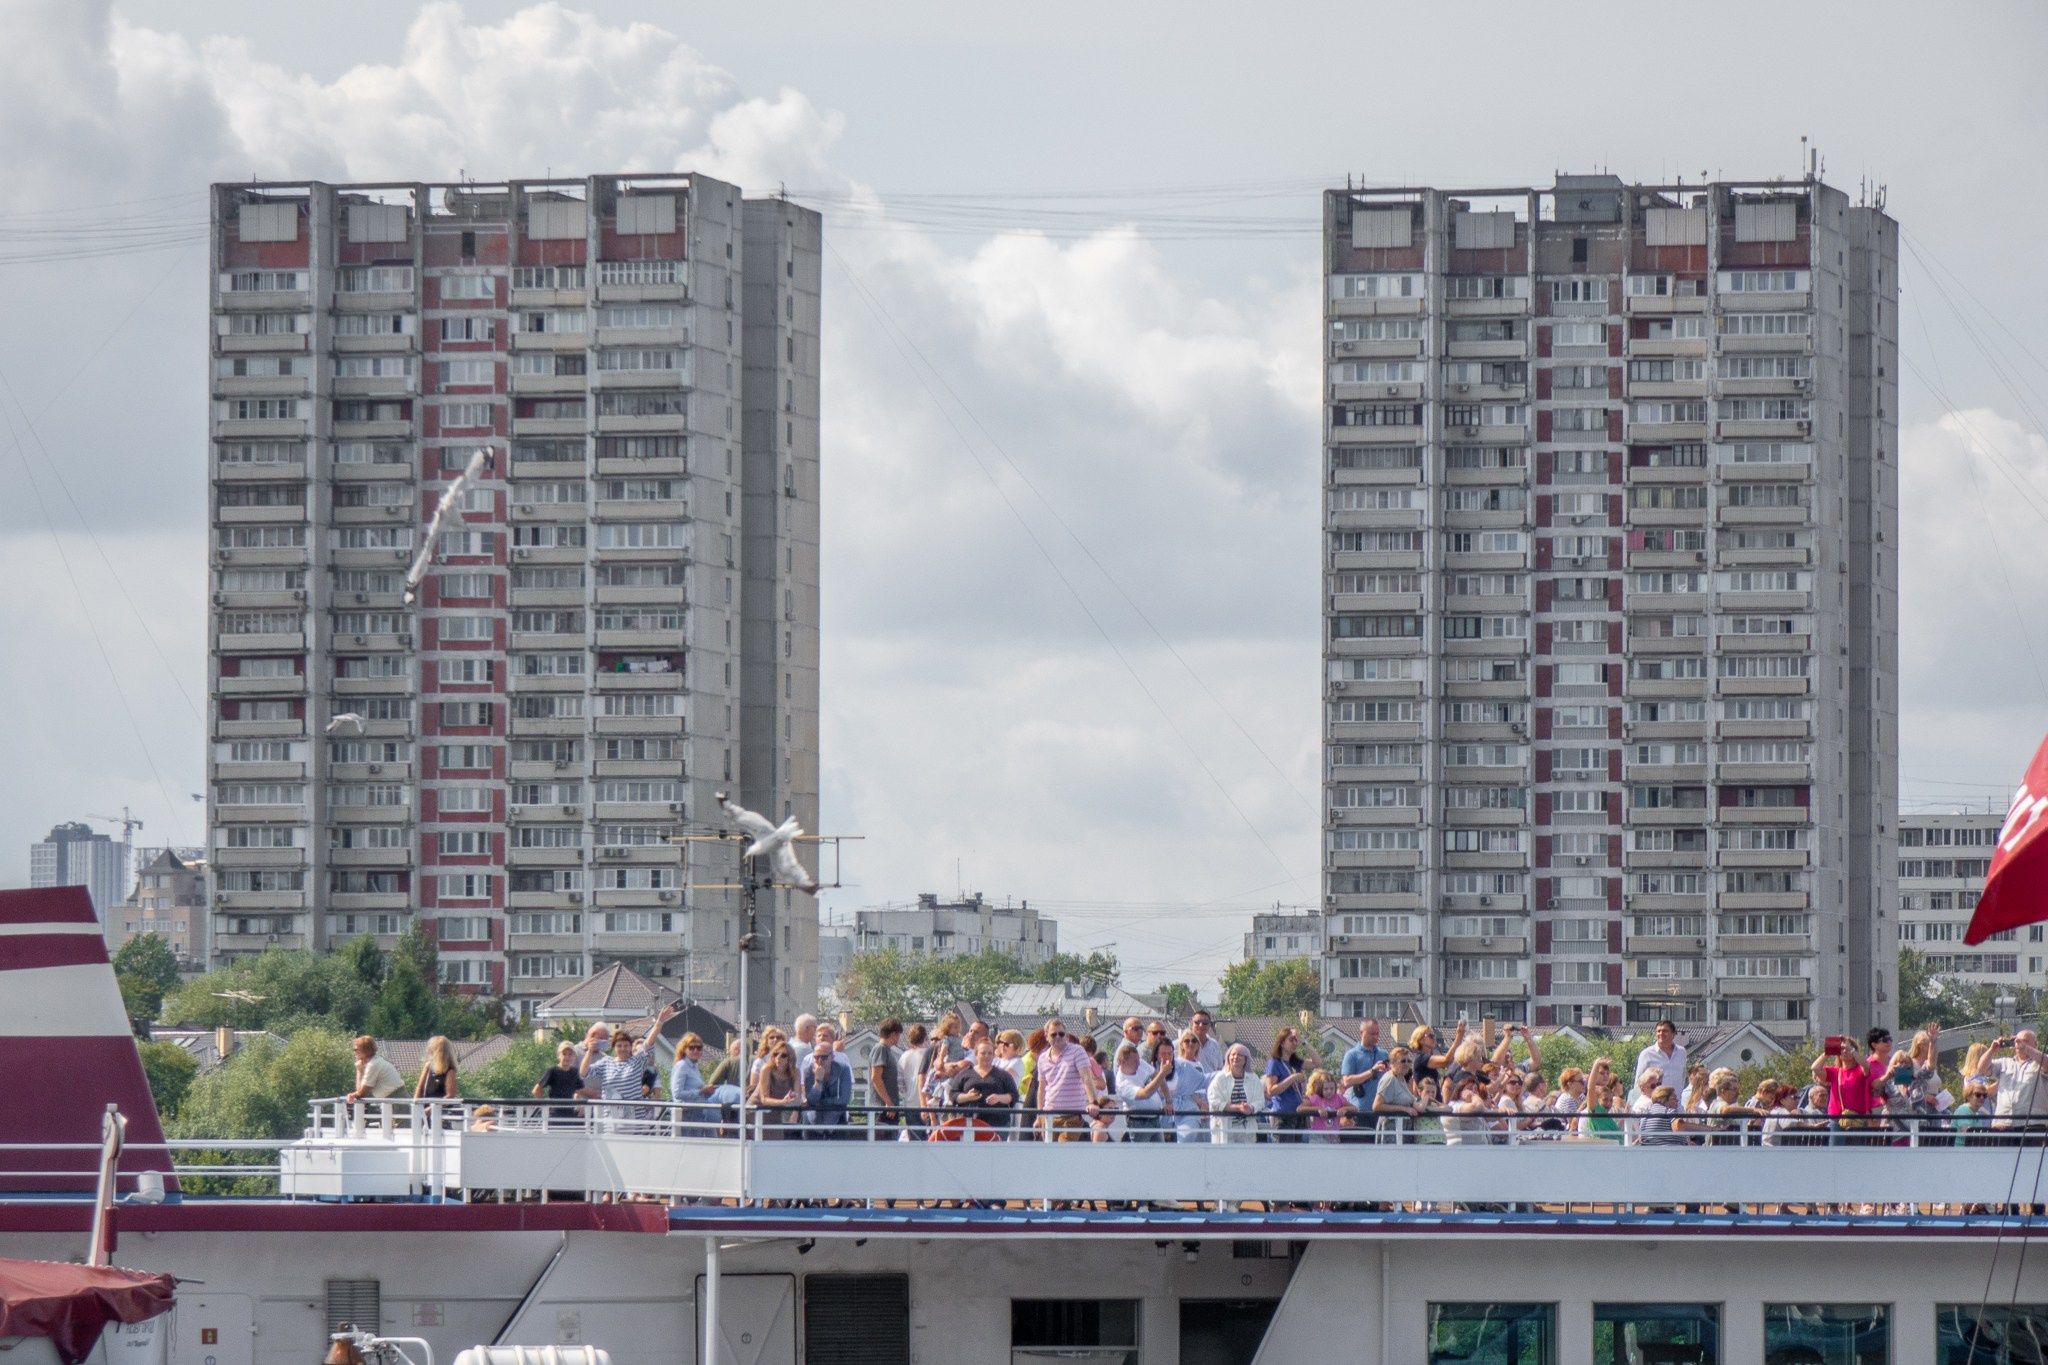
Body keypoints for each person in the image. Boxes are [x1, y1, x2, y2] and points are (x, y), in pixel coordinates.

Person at [1035, 1017, 1102, 1142]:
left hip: (1072, 1116)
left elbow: (1087, 1078)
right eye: (1053, 1034)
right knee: (1050, 1155)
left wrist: (1093, 1102)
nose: (1058, 1037)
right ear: (1046, 1036)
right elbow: (1041, 1088)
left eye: (1061, 1034)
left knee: (1064, 1150)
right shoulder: (1042, 1058)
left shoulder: (1077, 1051)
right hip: (1049, 1115)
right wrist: (1039, 1116)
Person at [947, 1038, 1020, 1135]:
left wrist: (999, 1098)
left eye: (990, 1053)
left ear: (994, 1055)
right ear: (976, 1055)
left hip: (997, 1124)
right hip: (969, 1123)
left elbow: (1014, 1096)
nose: (987, 1056)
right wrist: (967, 1097)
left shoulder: (1003, 1075)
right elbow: (953, 1095)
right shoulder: (964, 1074)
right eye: (983, 1053)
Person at [1985, 1030, 2048, 1139]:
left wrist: (2027, 1048)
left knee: (2031, 1156)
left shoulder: (2039, 1061)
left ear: (2035, 1044)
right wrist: (1992, 1050)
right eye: (2017, 1041)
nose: (2020, 1044)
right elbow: (1982, 1069)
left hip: (2033, 1124)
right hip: (2003, 1123)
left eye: (2025, 1041)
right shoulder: (2005, 1062)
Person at [1338, 1020, 1391, 1139]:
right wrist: (1372, 1071)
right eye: (1372, 1034)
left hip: (1380, 1110)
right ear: (1361, 1033)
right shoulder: (1352, 1055)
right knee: (1361, 1148)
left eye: (1377, 1034)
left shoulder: (1384, 1054)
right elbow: (1347, 1081)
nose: (1376, 1037)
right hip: (1360, 1111)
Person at [1207, 1044, 1267, 1143]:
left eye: (1240, 1055)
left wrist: (1250, 1108)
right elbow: (1214, 1100)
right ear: (1228, 1058)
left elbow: (1260, 1101)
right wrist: (1236, 1108)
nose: (1236, 1057)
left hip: (1246, 1129)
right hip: (1225, 1128)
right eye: (1233, 1054)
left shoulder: (1254, 1079)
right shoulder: (1220, 1078)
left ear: (1246, 1059)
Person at [802, 1026, 853, 1136]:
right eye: (816, 1057)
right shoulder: (808, 1071)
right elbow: (811, 1100)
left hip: (838, 1120)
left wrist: (822, 1103)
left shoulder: (843, 1069)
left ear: (832, 1056)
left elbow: (844, 1100)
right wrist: (818, 1081)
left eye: (824, 1057)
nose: (820, 1060)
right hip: (813, 1122)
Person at [747, 1042, 805, 1136]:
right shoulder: (767, 1069)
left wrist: (794, 1105)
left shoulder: (795, 1071)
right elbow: (764, 1099)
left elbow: (797, 1097)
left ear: (790, 1058)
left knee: (776, 1141)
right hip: (756, 1110)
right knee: (758, 1143)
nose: (778, 1058)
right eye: (775, 1054)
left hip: (775, 1111)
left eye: (783, 1055)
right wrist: (784, 1102)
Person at [1115, 1042, 1169, 1141]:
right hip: (1138, 1123)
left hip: (1156, 1119)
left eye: (1138, 1060)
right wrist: (1163, 1073)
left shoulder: (1141, 1063)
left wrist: (1169, 1101)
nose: (1139, 1063)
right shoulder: (1121, 1083)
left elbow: (1158, 1078)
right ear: (1123, 1061)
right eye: (1135, 1061)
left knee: (1161, 1154)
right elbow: (1145, 1094)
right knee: (1141, 1155)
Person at [1264, 1028, 1309, 1142]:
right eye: (1291, 1040)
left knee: (1297, 1154)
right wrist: (1293, 1078)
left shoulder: (1295, 1062)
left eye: (1296, 1041)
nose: (1295, 1043)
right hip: (1283, 1116)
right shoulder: (1274, 1063)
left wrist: (1304, 1041)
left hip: (1298, 1115)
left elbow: (1318, 1062)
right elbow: (1271, 1090)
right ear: (1282, 1043)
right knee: (1284, 1154)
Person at [668, 1033, 718, 1132]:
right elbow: (677, 1094)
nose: (695, 1050)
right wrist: (700, 1091)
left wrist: (708, 1090)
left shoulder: (695, 1067)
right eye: (691, 1047)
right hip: (687, 1114)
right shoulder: (682, 1066)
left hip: (697, 1112)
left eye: (699, 1048)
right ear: (684, 1049)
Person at [1168, 1032, 1211, 1143]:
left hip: (1203, 1100)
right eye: (1187, 1041)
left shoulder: (1199, 1064)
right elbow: (1181, 1087)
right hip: (1189, 1100)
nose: (1190, 1043)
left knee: (1203, 1137)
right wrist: (1198, 1101)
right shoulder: (1179, 1063)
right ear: (1182, 1044)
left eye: (1194, 1041)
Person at [533, 1041, 584, 1126]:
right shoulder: (552, 1071)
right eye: (564, 1054)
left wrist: (579, 1105)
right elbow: (536, 1090)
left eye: (570, 1054)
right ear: (558, 1055)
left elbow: (579, 1091)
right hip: (555, 1114)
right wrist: (544, 1105)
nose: (567, 1057)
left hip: (570, 1114)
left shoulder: (575, 1072)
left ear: (574, 1057)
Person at [1634, 1020, 1687, 1098]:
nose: (1661, 1034)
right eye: (1658, 1031)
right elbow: (1639, 1082)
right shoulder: (1647, 1054)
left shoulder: (1681, 1052)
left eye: (1665, 1031)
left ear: (1673, 1034)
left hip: (1676, 1103)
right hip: (1655, 1103)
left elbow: (1682, 1076)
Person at [869, 1019, 905, 1132]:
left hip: (887, 1109)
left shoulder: (886, 1050)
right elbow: (876, 1077)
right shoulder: (881, 1050)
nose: (899, 1038)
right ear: (894, 1033)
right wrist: (889, 1103)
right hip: (883, 1110)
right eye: (899, 1035)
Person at [1300, 1069, 1354, 1142]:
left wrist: (1344, 1109)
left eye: (1332, 1089)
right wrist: (1318, 1109)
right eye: (1326, 1089)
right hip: (1318, 1135)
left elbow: (1355, 1108)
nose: (1329, 1091)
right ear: (1321, 1089)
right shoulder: (1315, 1098)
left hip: (1334, 1135)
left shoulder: (1339, 1098)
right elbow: (1299, 1109)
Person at [413, 1035, 459, 1101]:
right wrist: (415, 1104)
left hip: (441, 1110)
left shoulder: (450, 1071)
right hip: (424, 1107)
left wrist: (429, 1109)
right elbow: (419, 1087)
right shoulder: (428, 1066)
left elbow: (450, 1096)